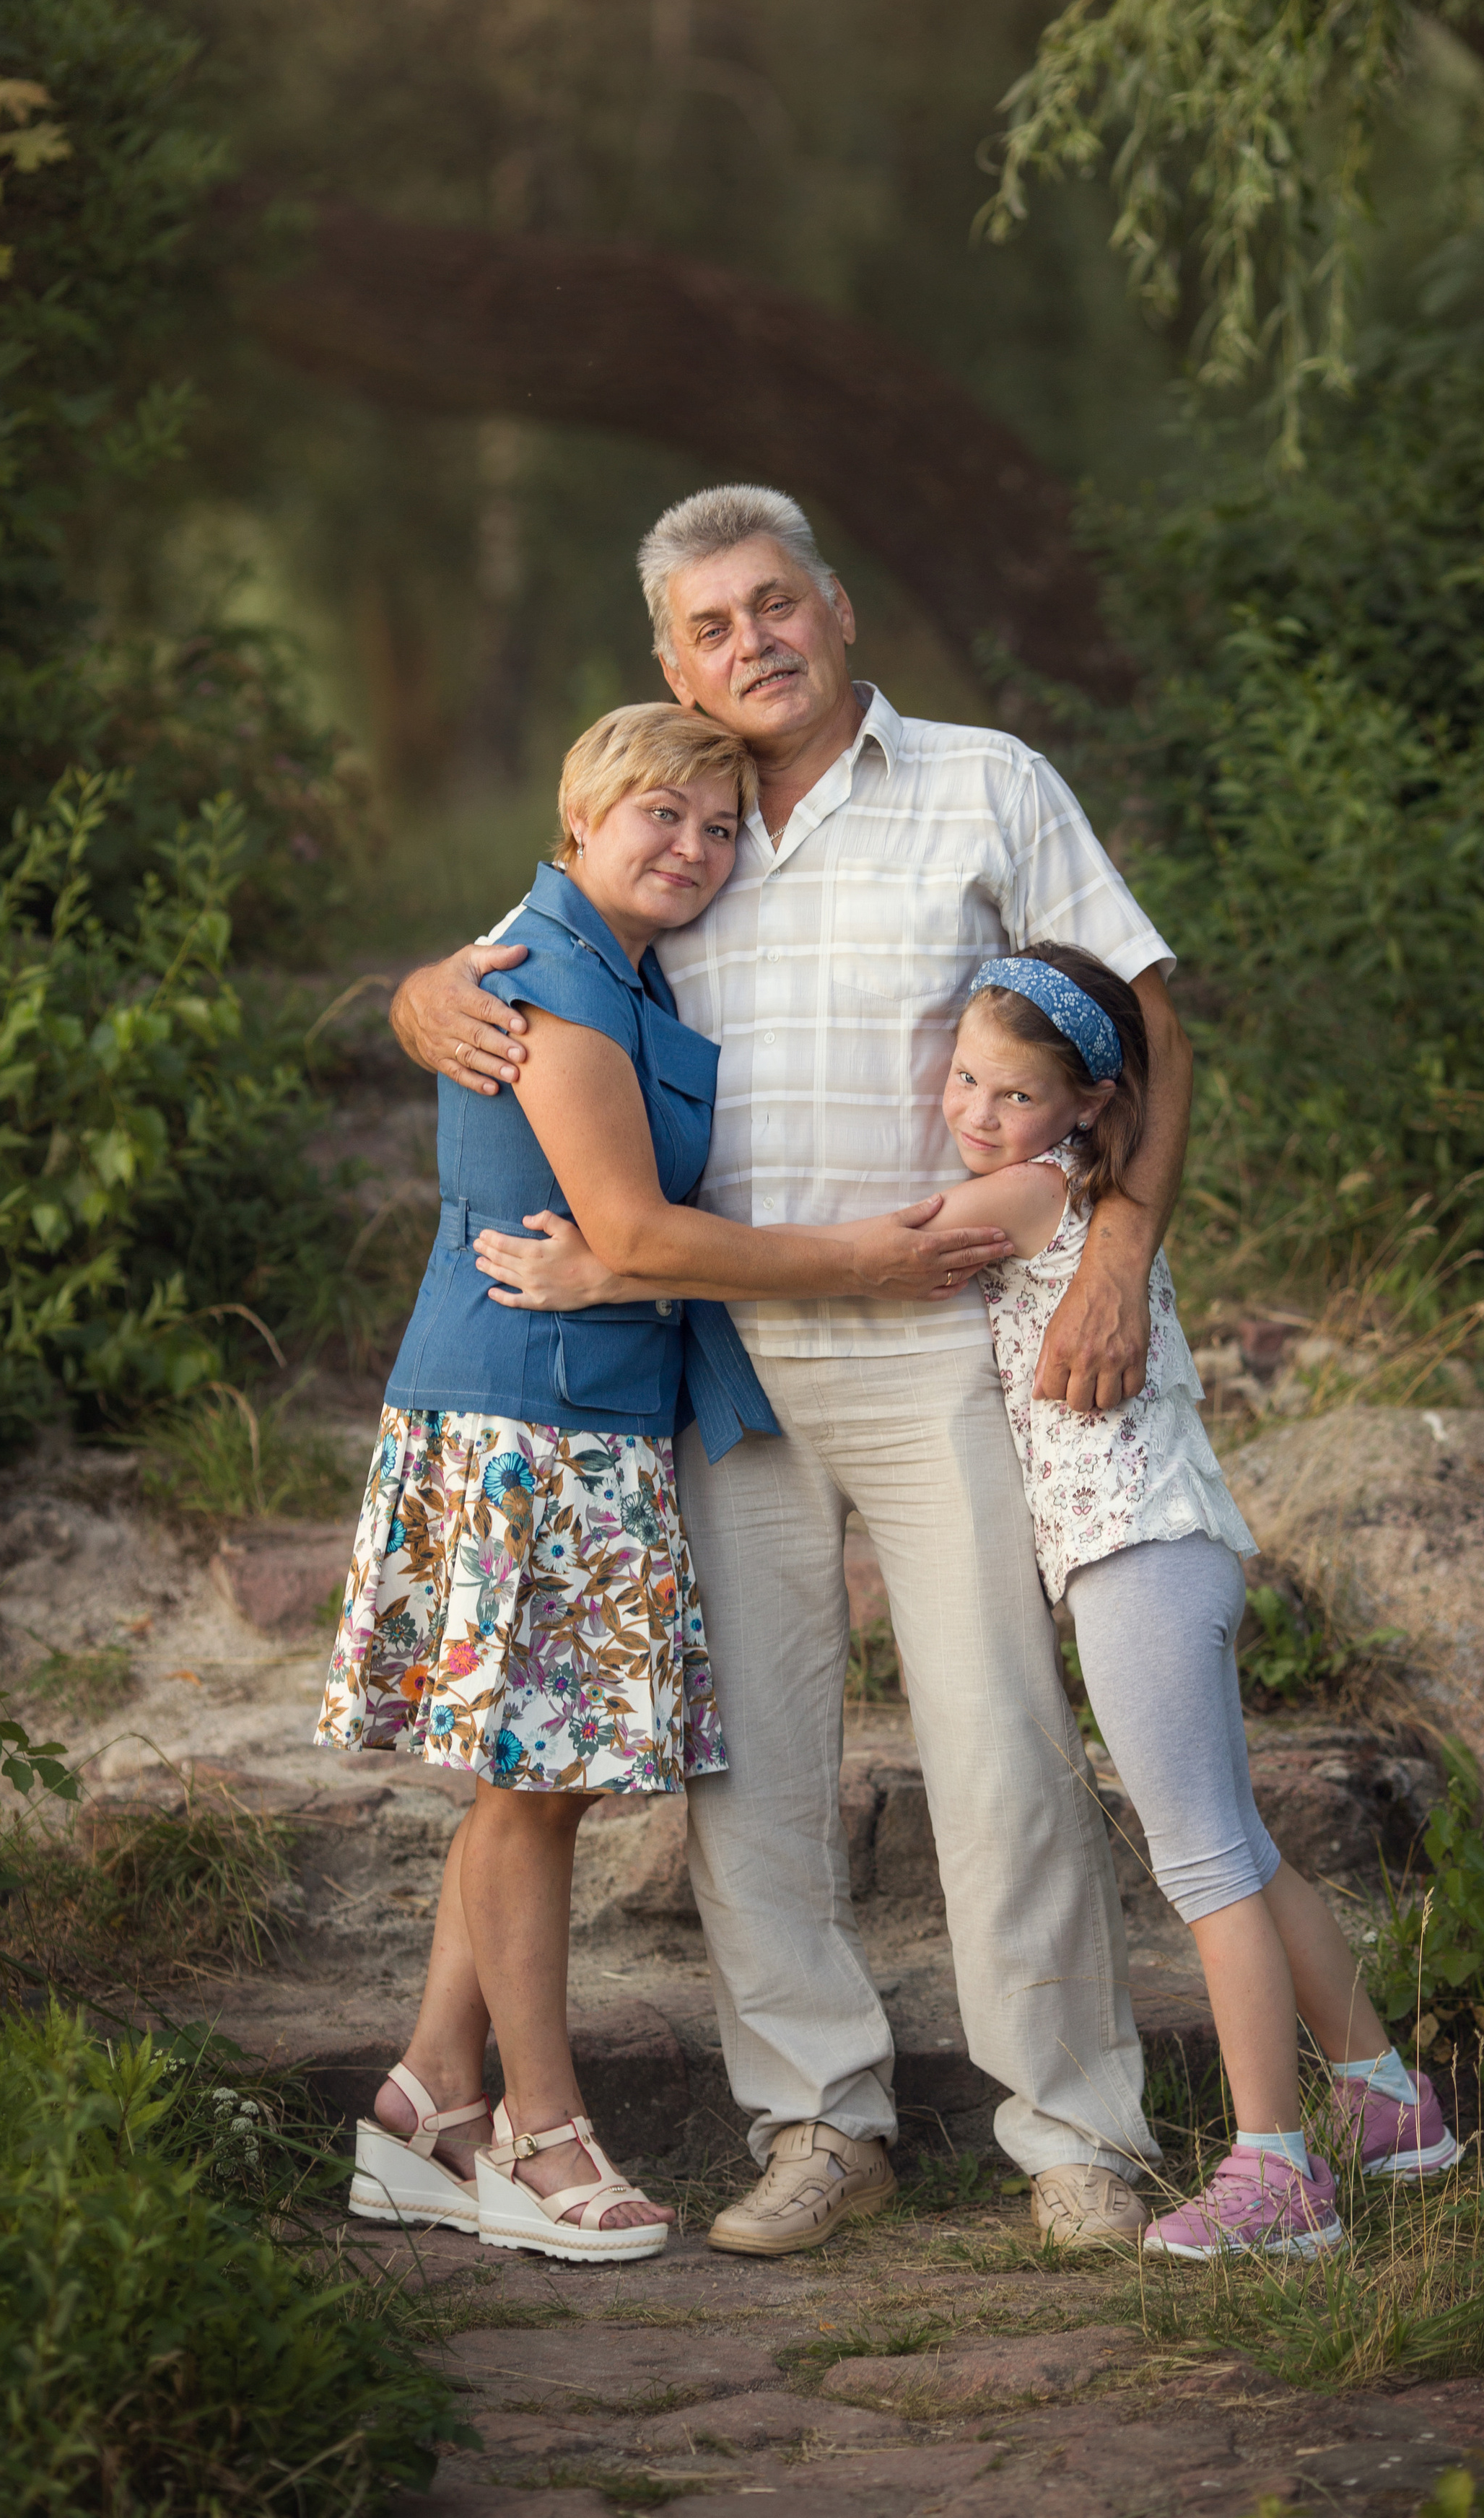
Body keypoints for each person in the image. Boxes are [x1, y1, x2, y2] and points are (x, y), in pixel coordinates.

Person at [390, 483, 1191, 2255]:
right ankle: (818, 2123)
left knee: (1000, 1743)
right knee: (746, 1766)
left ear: (836, 611)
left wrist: (1119, 1251)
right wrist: (419, 990)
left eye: (772, 604)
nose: (747, 642)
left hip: (941, 1348)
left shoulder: (985, 783)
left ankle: (1073, 2133)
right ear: (669, 662)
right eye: (708, 625)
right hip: (716, 1359)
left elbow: (1140, 1018)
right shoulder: (675, 819)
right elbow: (520, 958)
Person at [319, 700, 1006, 2263]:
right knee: (532, 1791)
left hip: (591, 1408)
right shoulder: (555, 973)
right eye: (660, 816)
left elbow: (620, 1241)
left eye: (717, 827)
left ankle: (426, 2099)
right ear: (579, 816)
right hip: (529, 1420)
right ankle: (540, 2140)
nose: (693, 848)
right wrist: (861, 1261)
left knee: (537, 1780)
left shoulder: (619, 964)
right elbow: (628, 1231)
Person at [926, 941, 1461, 2256]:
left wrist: (625, 1258)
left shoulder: (1030, 1195)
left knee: (1205, 1868)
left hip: (1135, 1560)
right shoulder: (1088, 1190)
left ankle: (1276, 2175)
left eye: (1014, 1094)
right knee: (1243, 1850)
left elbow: (870, 1250)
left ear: (1087, 1106)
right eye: (963, 1079)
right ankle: (1389, 2107)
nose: (976, 1113)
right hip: (1179, 1546)